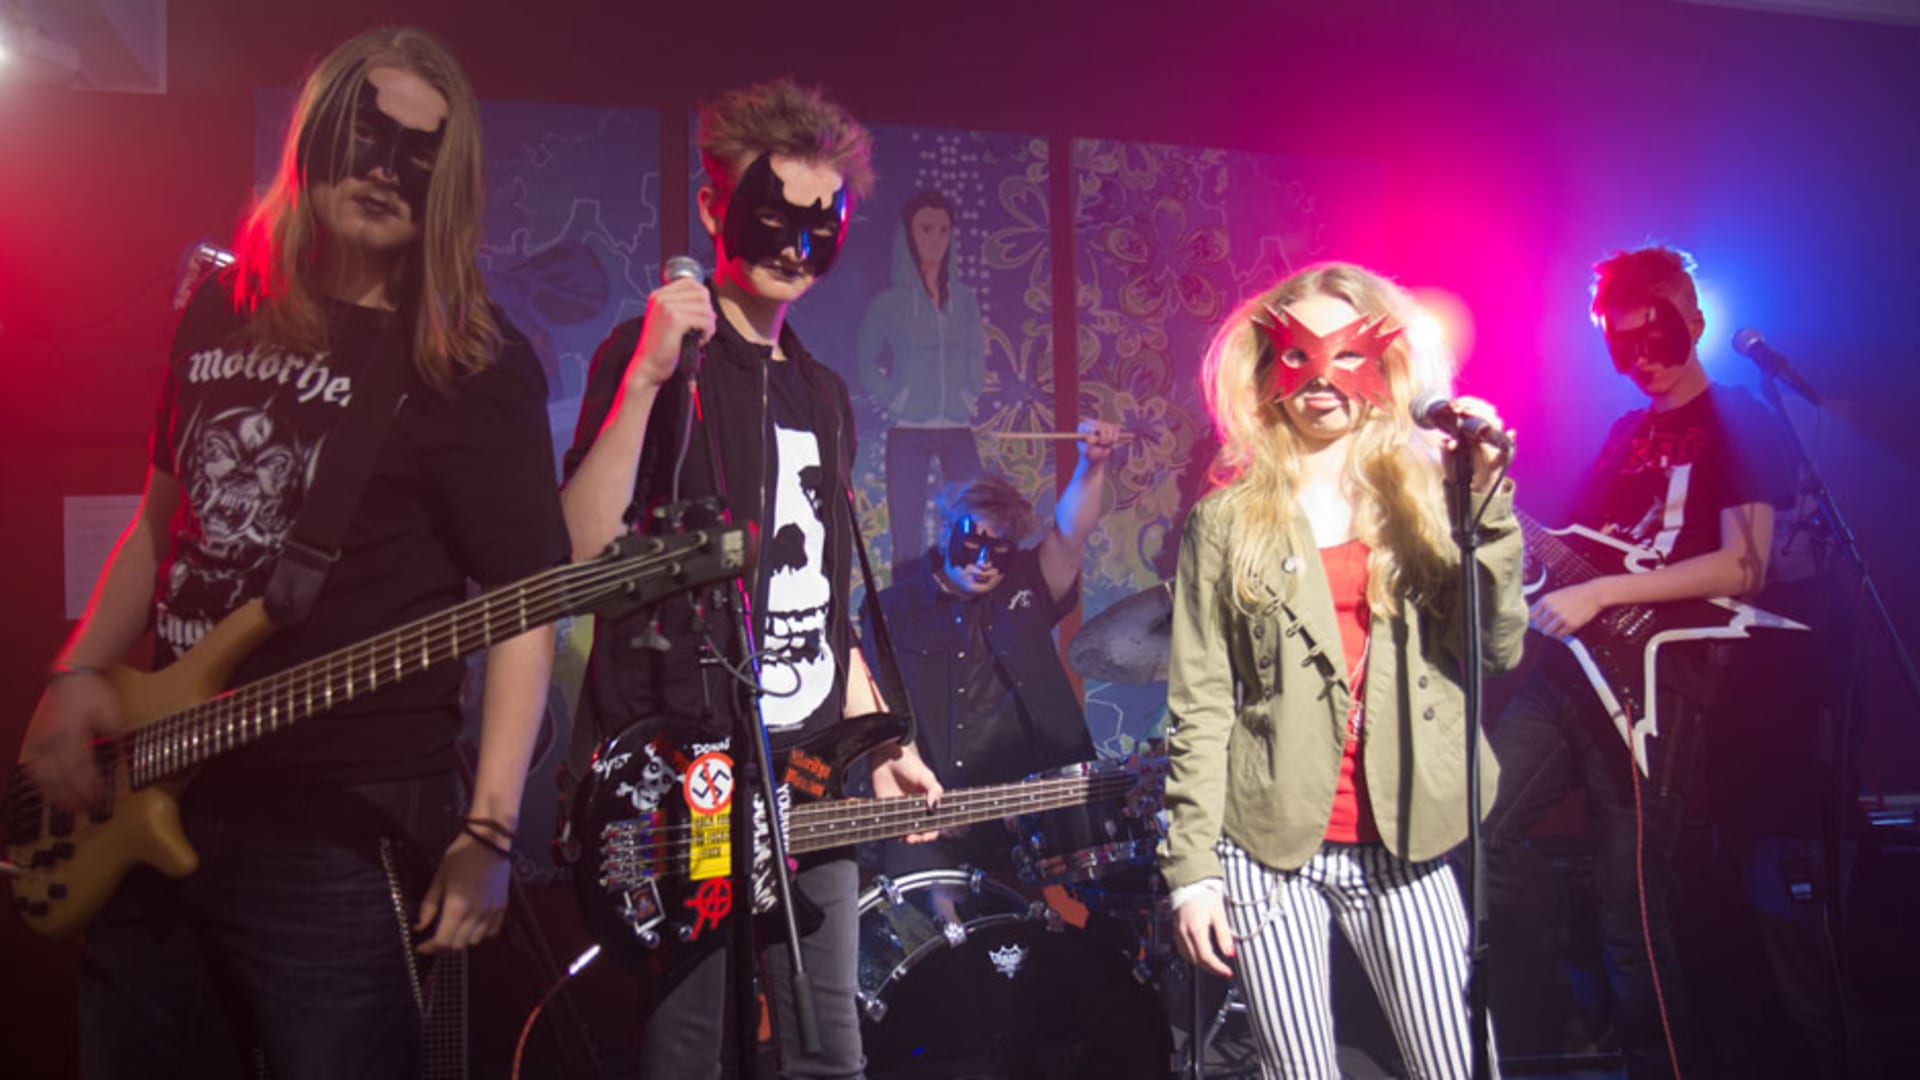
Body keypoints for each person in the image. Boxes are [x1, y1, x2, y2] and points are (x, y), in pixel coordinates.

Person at [20, 27, 567, 1078]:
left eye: (419, 153)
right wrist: (77, 670)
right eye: (367, 135)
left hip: (337, 827)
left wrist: (491, 833)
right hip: (154, 788)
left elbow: (523, 608)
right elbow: (158, 524)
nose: (385, 169)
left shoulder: (472, 363)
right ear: (315, 139)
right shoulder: (220, 306)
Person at [561, 78, 941, 1078]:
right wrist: (647, 374)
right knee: (690, 1048)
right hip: (688, 773)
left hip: (808, 774)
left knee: (827, 1053)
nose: (795, 247)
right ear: (713, 206)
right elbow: (577, 552)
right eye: (772, 218)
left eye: (822, 227)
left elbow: (825, 603)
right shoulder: (656, 361)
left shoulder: (822, 392)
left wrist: (882, 737)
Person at [1161, 261, 1525, 1078]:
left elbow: (1495, 648)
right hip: (1267, 844)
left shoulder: (1432, 498)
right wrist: (1191, 873)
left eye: (1347, 353)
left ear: (1387, 363)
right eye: (1298, 355)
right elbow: (1202, 704)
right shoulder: (1224, 521)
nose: (1322, 379)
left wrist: (1485, 503)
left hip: (1405, 836)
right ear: (1267, 368)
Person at [1484, 245, 1796, 1078]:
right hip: (1568, 675)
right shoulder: (1625, 433)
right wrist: (1490, 509)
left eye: (1656, 338)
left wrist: (1602, 594)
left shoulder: (1742, 420)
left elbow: (1745, 566)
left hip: (1656, 684)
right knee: (1474, 829)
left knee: (1631, 909)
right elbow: (1572, 550)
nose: (1643, 360)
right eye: (1622, 346)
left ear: (1694, 319)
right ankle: (1562, 972)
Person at [866, 430, 1117, 881]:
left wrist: (1092, 464)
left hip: (1022, 819)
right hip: (932, 816)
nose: (983, 561)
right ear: (946, 531)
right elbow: (876, 714)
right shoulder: (892, 609)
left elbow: (1071, 533)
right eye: (972, 543)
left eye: (998, 550)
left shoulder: (1027, 585)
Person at [855, 189, 989, 576]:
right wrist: (897, 398)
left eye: (944, 230)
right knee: (906, 534)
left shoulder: (963, 299)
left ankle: (972, 602)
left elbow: (976, 351)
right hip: (909, 429)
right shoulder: (890, 303)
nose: (935, 239)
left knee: (975, 520)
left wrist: (969, 392)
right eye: (925, 229)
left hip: (956, 426)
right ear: (908, 235)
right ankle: (904, 609)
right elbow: (867, 363)